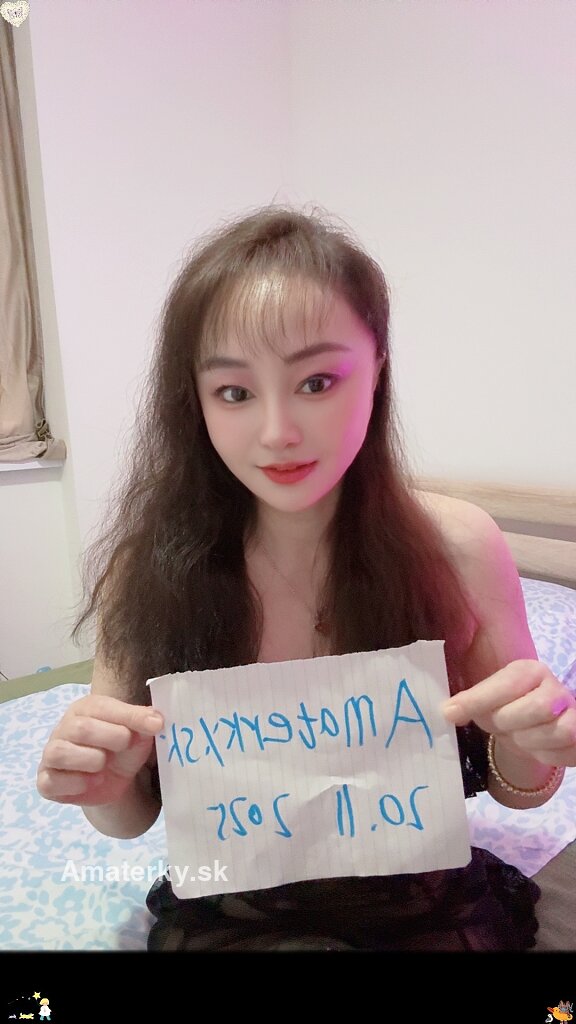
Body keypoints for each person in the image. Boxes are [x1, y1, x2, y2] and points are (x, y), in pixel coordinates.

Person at [37, 205, 576, 951]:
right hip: (232, 909)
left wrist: (533, 741)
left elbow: (523, 786)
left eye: (317, 381)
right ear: (196, 401)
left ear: (378, 367)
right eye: (234, 393)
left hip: (419, 903)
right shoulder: (151, 570)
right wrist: (100, 787)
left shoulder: (457, 546)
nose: (277, 432)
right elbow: (130, 813)